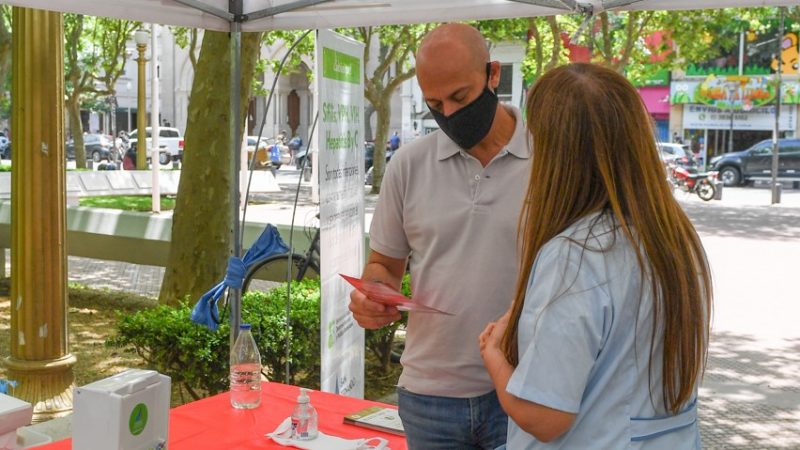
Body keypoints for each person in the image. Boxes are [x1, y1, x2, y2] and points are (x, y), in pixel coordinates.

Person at [478, 63, 712, 449]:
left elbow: (545, 417)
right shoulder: (674, 239)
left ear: (556, 153)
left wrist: (493, 356)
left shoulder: (576, 255)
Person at [348, 23, 531, 449]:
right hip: (429, 394)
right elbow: (384, 266)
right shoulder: (408, 165)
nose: (448, 113)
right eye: (434, 103)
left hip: (524, 390)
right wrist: (372, 295)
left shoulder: (552, 159)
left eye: (460, 98)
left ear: (493, 75)